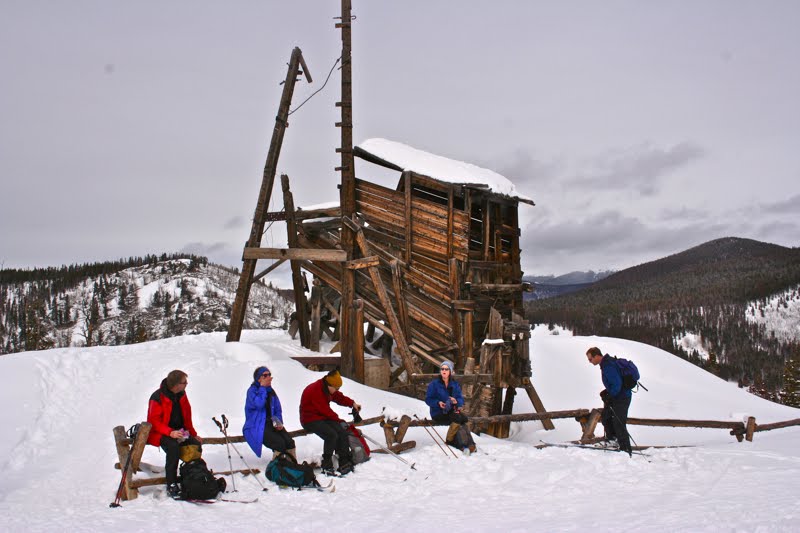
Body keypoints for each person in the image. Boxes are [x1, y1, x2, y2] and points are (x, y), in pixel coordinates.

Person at [146, 369, 202, 499]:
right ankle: (171, 483)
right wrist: (170, 432)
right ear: (176, 384)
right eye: (184, 382)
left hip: (179, 432)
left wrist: (193, 434)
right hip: (161, 433)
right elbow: (153, 421)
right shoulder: (157, 397)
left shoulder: (182, 394)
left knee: (194, 444)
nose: (186, 384)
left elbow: (187, 416)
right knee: (173, 448)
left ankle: (191, 477)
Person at [299, 369, 361, 476]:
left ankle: (344, 461)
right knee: (331, 435)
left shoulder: (328, 388)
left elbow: (339, 398)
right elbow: (325, 410)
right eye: (336, 388)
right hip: (310, 419)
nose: (337, 390)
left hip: (321, 416)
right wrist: (339, 420)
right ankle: (326, 465)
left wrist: (352, 403)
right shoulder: (316, 390)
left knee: (341, 431)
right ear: (330, 385)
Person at [243, 366, 296, 462]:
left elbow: (277, 409)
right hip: (256, 425)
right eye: (265, 375)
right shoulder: (252, 391)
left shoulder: (271, 391)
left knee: (289, 442)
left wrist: (278, 422)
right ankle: (277, 469)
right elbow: (259, 404)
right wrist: (262, 388)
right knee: (279, 443)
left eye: (269, 374)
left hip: (271, 422)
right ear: (258, 378)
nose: (268, 377)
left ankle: (292, 466)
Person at [586, 346, 633, 456]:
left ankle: (626, 450)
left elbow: (617, 384)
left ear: (597, 356)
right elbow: (614, 383)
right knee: (606, 417)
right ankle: (612, 439)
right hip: (617, 396)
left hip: (622, 397)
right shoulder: (606, 364)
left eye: (590, 359)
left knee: (619, 422)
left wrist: (610, 395)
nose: (589, 362)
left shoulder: (608, 365)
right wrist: (607, 392)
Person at [425, 360, 475, 453]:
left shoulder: (454, 384)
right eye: (442, 369)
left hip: (451, 411)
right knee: (457, 419)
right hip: (438, 412)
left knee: (463, 419)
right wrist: (438, 403)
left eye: (446, 369)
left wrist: (456, 401)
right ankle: (453, 442)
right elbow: (428, 399)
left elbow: (460, 398)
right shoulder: (434, 384)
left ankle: (470, 444)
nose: (444, 370)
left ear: (450, 371)